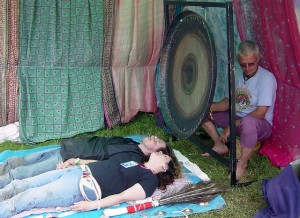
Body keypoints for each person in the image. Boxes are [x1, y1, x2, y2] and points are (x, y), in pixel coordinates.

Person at [0, 145, 181, 218]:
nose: (160, 152)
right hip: (76, 172)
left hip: (81, 186)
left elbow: (122, 197)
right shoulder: (136, 162)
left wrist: (94, 205)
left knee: (26, 197)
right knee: (19, 185)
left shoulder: (149, 181)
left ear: (165, 168)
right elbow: (104, 164)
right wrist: (76, 161)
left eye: (164, 155)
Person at [201, 40, 277, 180]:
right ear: (238, 61)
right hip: (236, 117)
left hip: (259, 124)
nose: (247, 68)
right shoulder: (237, 75)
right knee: (201, 110)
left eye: (251, 64)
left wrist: (231, 126)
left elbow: (260, 113)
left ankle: (241, 165)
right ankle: (219, 144)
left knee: (248, 122)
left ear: (258, 59)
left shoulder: (267, 78)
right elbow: (231, 101)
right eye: (243, 65)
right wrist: (210, 107)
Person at [0, 135, 168, 188]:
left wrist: (76, 161)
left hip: (68, 157)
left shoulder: (133, 157)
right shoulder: (130, 141)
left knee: (21, 173)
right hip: (68, 148)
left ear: (157, 152)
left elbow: (105, 164)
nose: (154, 137)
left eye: (157, 141)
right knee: (16, 161)